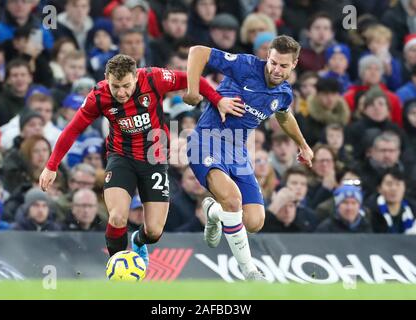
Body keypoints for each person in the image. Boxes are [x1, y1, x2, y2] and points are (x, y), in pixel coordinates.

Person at [39, 54, 240, 266]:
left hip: (154, 157)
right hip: (121, 157)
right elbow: (72, 130)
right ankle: (116, 268)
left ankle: (137, 239)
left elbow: (194, 79)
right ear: (107, 78)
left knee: (153, 232)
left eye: (126, 85)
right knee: (117, 217)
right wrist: (51, 166)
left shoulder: (154, 78)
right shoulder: (98, 95)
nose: (121, 92)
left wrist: (217, 100)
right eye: (115, 86)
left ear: (136, 77)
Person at [184, 35, 313, 280]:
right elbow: (198, 50)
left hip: (238, 151)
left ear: (294, 65)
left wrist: (303, 145)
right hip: (206, 140)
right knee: (232, 200)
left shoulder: (284, 94)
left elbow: (284, 116)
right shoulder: (245, 65)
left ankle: (213, 212)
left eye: (283, 66)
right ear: (268, 57)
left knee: (253, 222)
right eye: (273, 62)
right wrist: (193, 91)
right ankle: (250, 271)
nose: (276, 69)